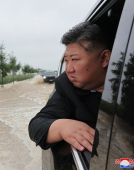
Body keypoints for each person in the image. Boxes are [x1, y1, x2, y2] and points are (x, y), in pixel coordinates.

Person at [28, 22, 112, 154]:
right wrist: (61, 127)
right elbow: (36, 126)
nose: (68, 69)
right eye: (67, 60)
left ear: (104, 58)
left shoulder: (126, 89)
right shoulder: (67, 87)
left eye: (75, 59)